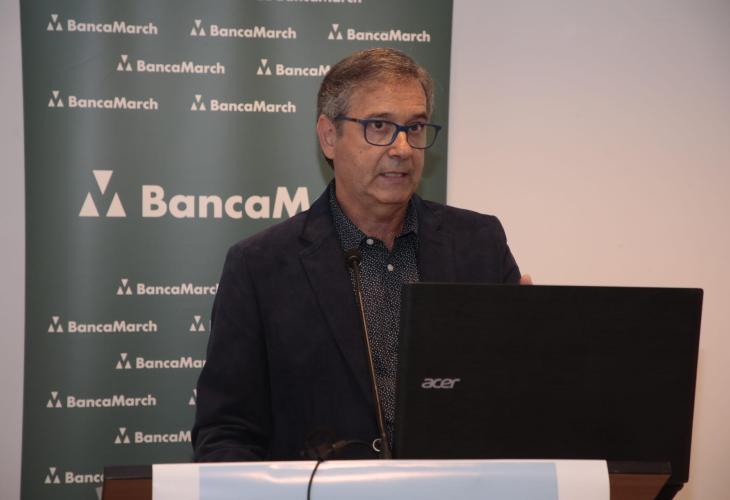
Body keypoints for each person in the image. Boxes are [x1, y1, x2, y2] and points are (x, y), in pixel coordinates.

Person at [192, 48, 527, 462]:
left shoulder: (479, 243)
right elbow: (225, 433)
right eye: (379, 126)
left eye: (415, 127)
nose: (402, 148)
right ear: (329, 136)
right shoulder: (260, 266)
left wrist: (531, 346)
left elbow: (519, 401)